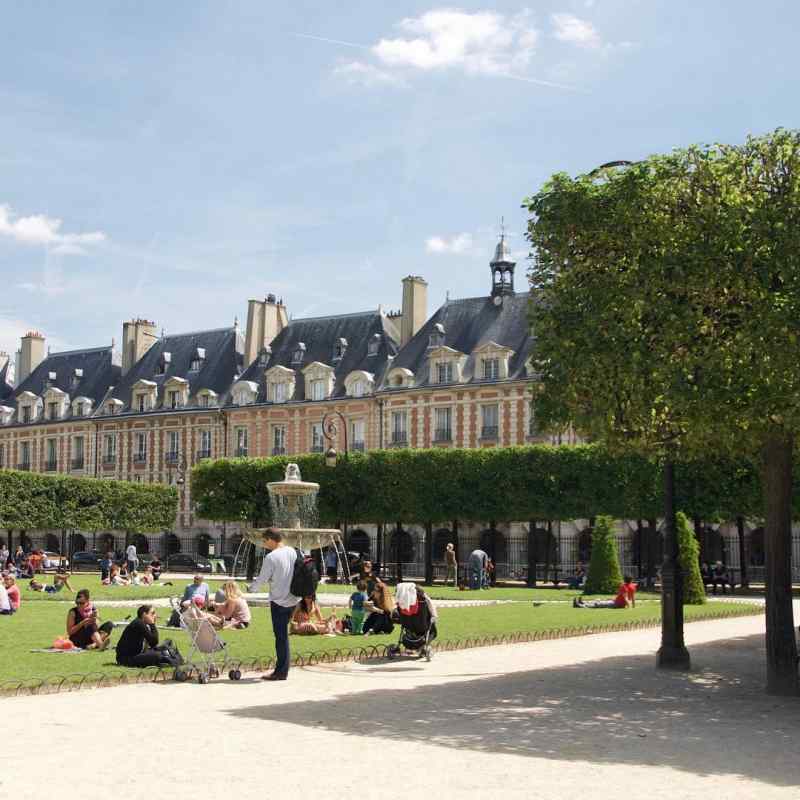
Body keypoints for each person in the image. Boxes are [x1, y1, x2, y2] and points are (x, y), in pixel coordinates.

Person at [249, 529, 299, 681]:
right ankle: (283, 669)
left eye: (265, 541)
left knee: (281, 637)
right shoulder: (292, 551)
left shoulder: (271, 557)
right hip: (293, 599)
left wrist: (251, 588)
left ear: (271, 539)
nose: (264, 544)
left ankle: (281, 672)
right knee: (283, 637)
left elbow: (262, 578)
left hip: (279, 601)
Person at [116, 605, 181, 668]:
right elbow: (154, 642)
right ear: (144, 614)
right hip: (126, 659)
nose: (155, 616)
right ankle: (172, 660)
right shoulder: (138, 623)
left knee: (167, 643)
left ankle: (171, 657)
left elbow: (152, 644)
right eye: (152, 613)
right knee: (157, 655)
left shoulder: (141, 623)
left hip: (138, 653)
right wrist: (152, 624)